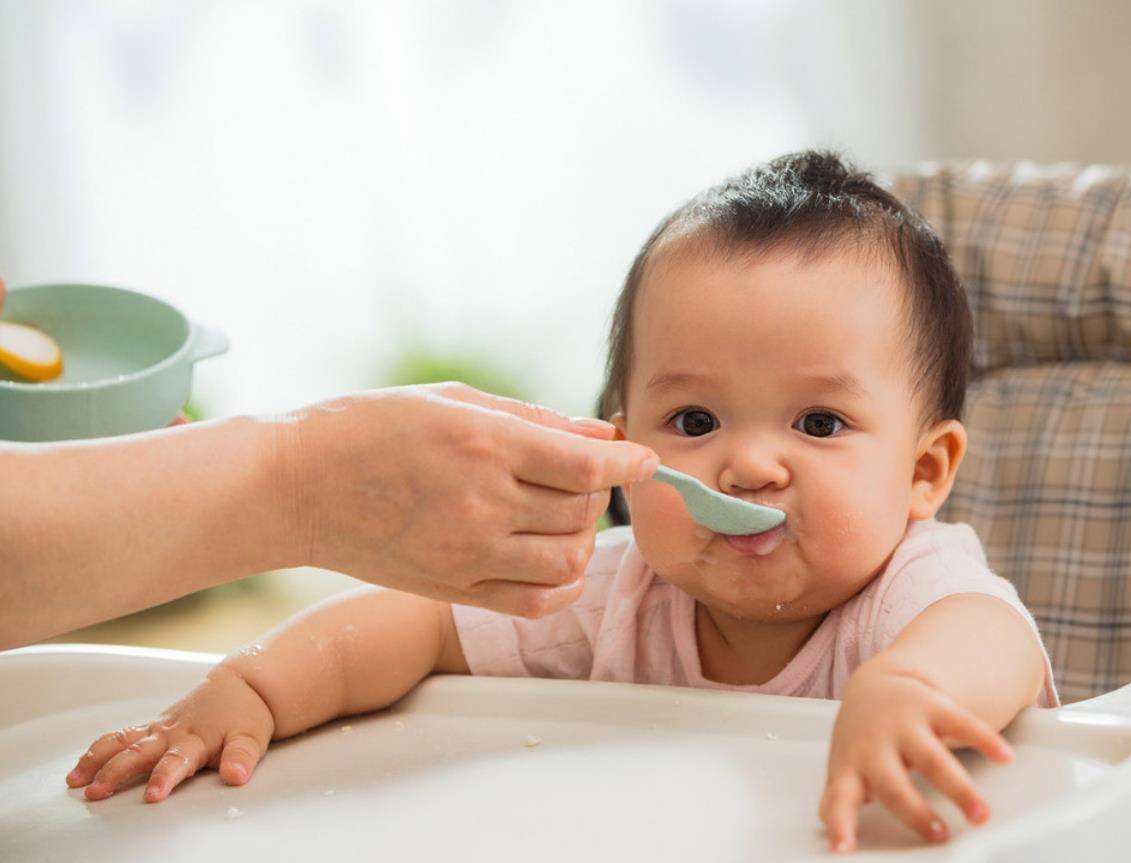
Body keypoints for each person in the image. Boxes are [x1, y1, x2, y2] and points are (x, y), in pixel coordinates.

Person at [66, 152, 1058, 852]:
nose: (749, 466)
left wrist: (909, 693)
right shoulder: (619, 589)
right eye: (695, 418)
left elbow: (989, 638)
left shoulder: (906, 599)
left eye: (818, 423)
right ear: (619, 437)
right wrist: (255, 685)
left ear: (924, 473)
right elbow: (416, 623)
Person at [0, 275, 659, 650]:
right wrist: (295, 484)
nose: (756, 465)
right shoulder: (606, 600)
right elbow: (407, 636)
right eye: (696, 421)